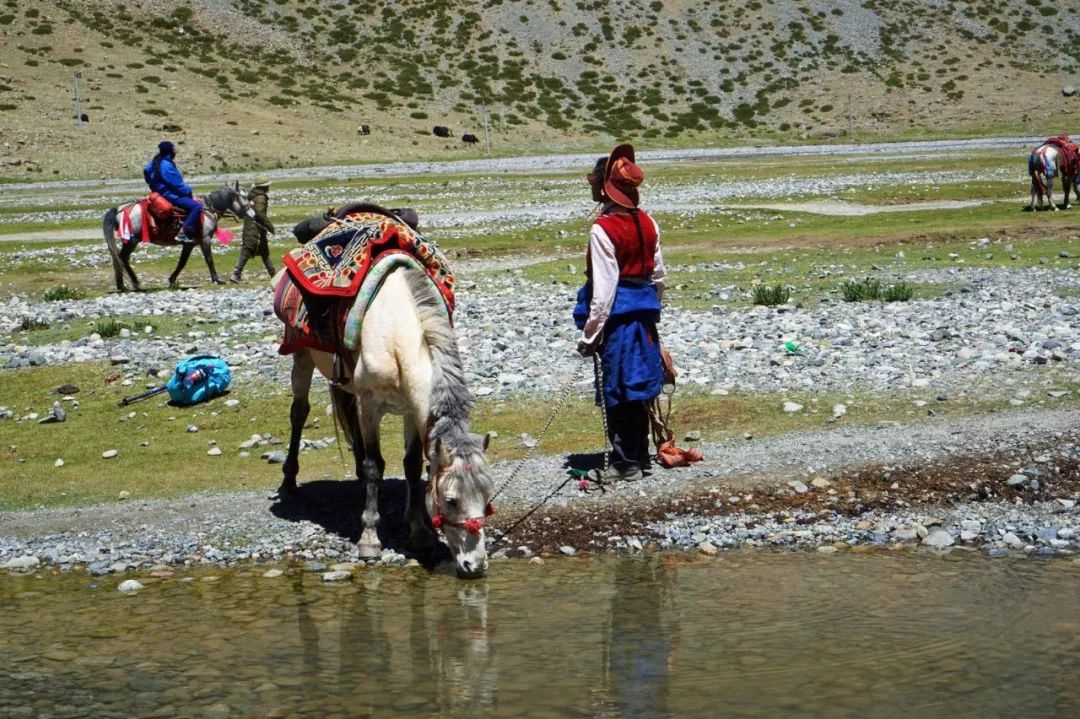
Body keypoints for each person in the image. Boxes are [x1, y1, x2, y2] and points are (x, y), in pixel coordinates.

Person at [573, 143, 666, 482]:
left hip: (618, 319)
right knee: (639, 385)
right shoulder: (649, 222)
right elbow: (658, 277)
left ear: (604, 186)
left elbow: (604, 290)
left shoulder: (603, 229)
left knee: (618, 387)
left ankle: (625, 461)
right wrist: (651, 313)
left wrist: (590, 335)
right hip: (643, 316)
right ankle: (638, 457)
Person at [142, 140, 203, 242]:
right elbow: (177, 184)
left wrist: (154, 186)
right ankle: (183, 232)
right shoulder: (166, 165)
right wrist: (189, 191)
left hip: (158, 193)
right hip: (170, 195)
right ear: (170, 152)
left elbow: (146, 173)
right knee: (197, 207)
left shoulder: (153, 162)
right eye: (174, 150)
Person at [231, 176, 276, 282]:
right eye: (267, 185)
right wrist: (270, 227)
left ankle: (273, 274)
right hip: (256, 228)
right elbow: (260, 214)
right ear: (264, 187)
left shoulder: (252, 195)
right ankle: (236, 273)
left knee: (263, 251)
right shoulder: (261, 197)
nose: (269, 187)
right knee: (247, 250)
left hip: (250, 225)